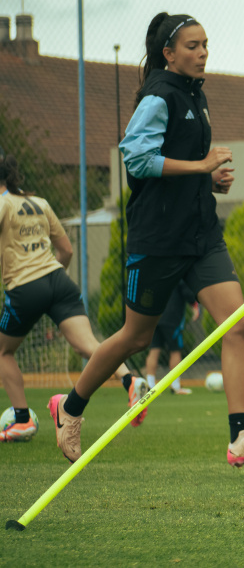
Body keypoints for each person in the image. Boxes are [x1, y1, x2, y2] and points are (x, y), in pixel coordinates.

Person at [48, 12, 244, 467]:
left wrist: (209, 182)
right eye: (193, 46)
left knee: (237, 324)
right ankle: (70, 407)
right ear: (169, 54)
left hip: (201, 237)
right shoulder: (158, 97)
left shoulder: (198, 97)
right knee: (135, 338)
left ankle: (240, 438)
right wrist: (200, 167)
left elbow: (179, 165)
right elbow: (136, 159)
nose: (203, 53)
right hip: (157, 239)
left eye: (206, 44)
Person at [0, 154, 145, 443]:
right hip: (60, 281)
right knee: (89, 345)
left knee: (3, 352)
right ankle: (130, 380)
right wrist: (50, 290)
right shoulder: (39, 203)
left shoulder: (2, 205)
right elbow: (65, 250)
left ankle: (22, 419)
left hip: (25, 286)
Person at [145, 281, 198, 395]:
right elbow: (186, 291)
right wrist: (194, 304)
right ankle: (175, 386)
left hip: (154, 316)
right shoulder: (177, 267)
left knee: (154, 349)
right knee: (175, 351)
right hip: (172, 317)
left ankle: (150, 385)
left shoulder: (156, 269)